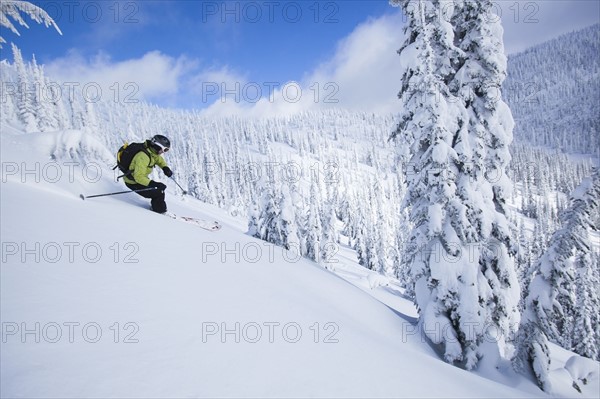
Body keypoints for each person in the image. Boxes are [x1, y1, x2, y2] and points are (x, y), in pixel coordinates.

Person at [123, 135, 173, 213]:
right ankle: (159, 212)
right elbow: (138, 177)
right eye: (164, 150)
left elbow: (157, 159)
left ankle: (159, 209)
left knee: (159, 189)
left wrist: (164, 167)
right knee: (159, 192)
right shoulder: (143, 157)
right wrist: (153, 184)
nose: (163, 152)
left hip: (137, 179)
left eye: (166, 150)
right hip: (133, 182)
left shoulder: (151, 151)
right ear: (157, 146)